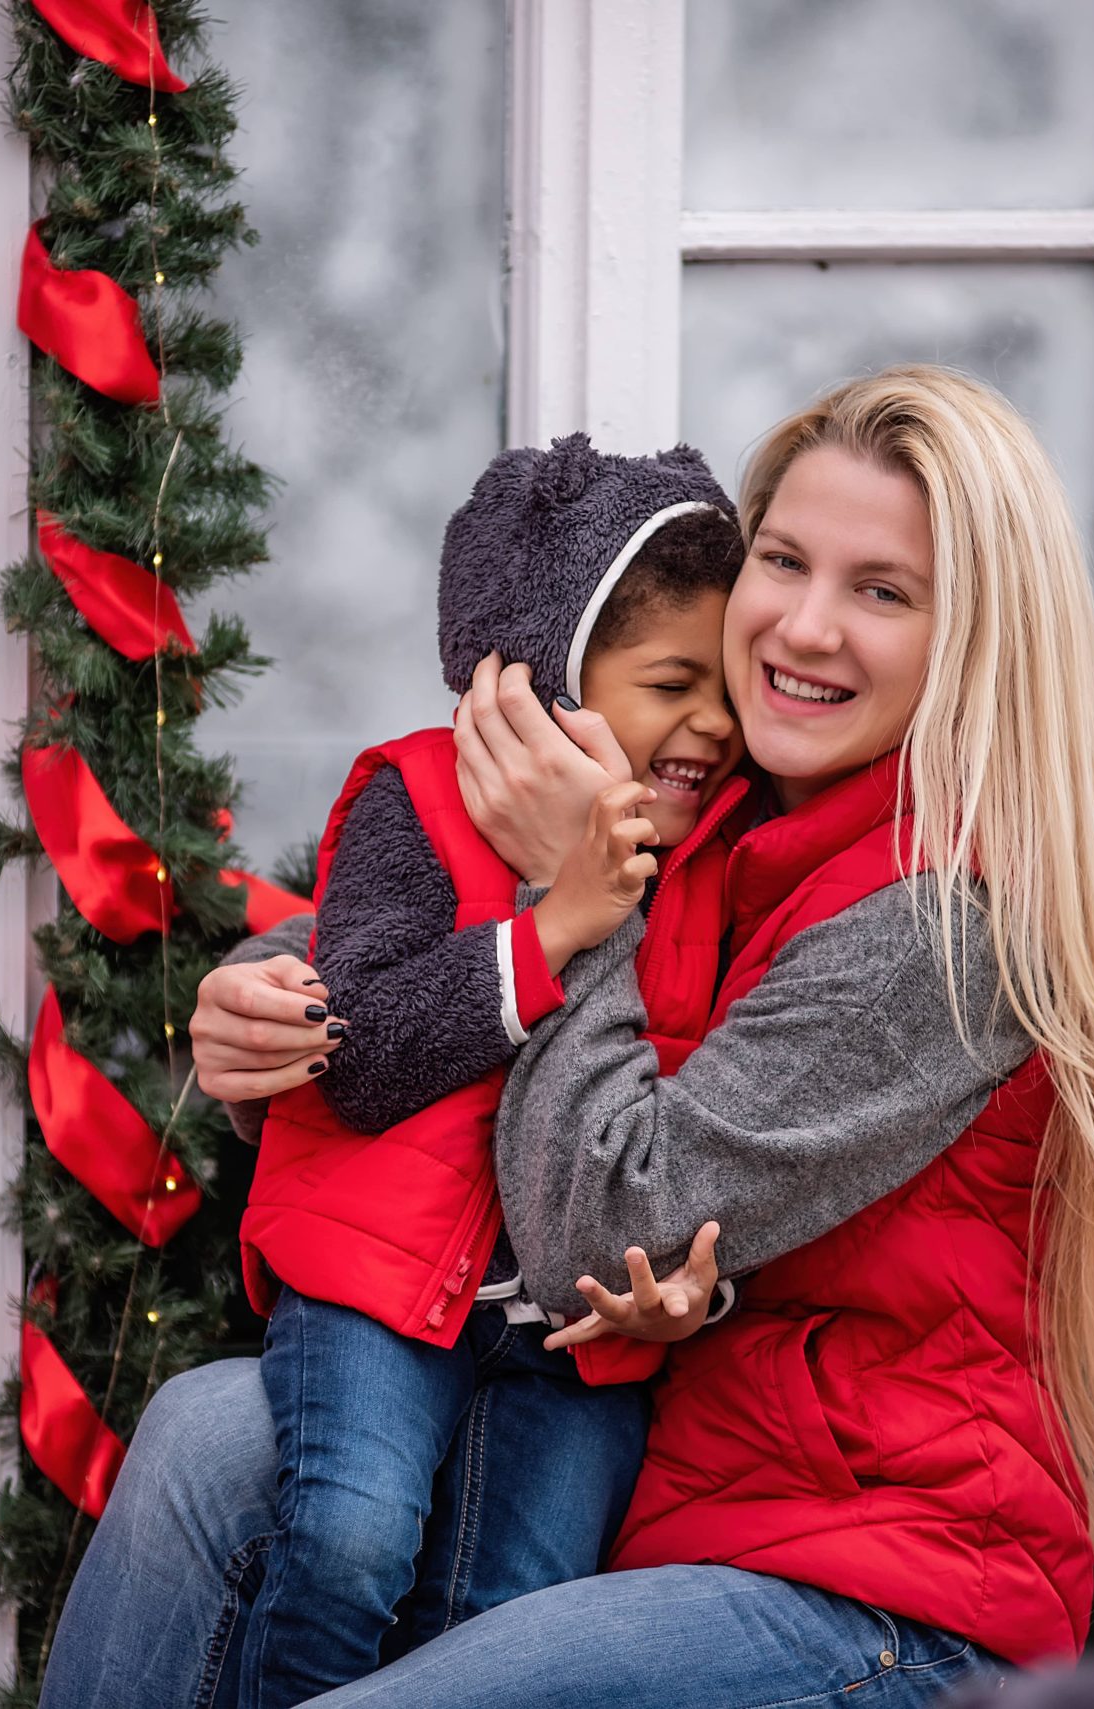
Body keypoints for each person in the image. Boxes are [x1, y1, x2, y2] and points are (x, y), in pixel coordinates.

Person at [40, 365, 1094, 1709]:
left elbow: (605, 1216)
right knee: (207, 1436)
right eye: (784, 561)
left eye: (883, 591)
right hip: (670, 1496)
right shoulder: (738, 819)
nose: (807, 626)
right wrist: (273, 992)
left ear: (975, 641)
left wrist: (578, 900)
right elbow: (459, 931)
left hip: (870, 1596)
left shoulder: (943, 923)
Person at [235, 435, 746, 1707]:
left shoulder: (722, 863)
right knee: (347, 1545)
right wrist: (555, 923)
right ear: (548, 679)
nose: (713, 726)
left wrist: (697, 1289)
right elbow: (359, 1055)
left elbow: (709, 1111)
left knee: (512, 1621)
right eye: (672, 681)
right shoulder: (418, 798)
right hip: (378, 1283)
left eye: (725, 686)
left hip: (574, 1332)